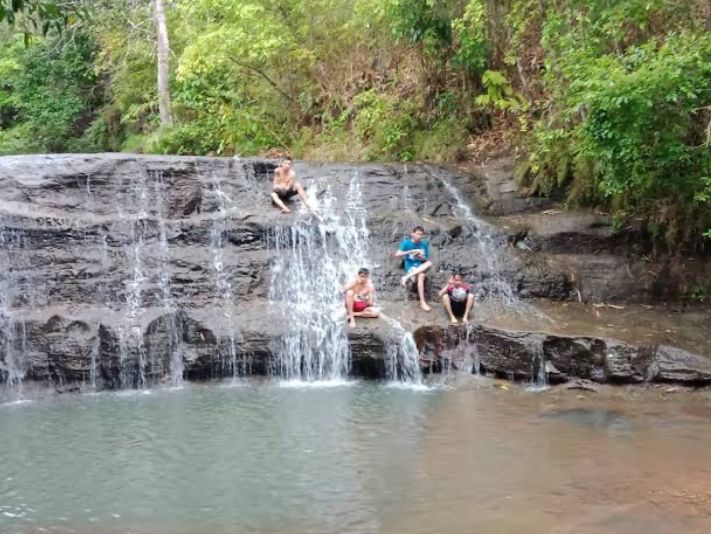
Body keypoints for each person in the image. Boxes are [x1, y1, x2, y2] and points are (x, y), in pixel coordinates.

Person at [394, 226, 432, 312]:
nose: (420, 236)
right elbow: (397, 254)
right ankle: (422, 302)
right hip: (411, 268)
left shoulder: (424, 244)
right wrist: (410, 251)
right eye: (418, 234)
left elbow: (425, 260)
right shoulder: (406, 243)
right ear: (413, 234)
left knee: (429, 263)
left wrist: (421, 257)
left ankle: (406, 277)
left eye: (421, 234)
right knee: (421, 275)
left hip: (420, 266)